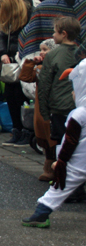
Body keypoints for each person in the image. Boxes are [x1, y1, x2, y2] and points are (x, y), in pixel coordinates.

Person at [22, 59, 86, 228]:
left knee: (59, 187)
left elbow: (70, 141)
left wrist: (62, 161)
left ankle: (41, 214)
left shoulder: (79, 113)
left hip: (78, 161)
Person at [0, 0, 31, 146]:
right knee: (10, 96)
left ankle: (25, 131)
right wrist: (3, 53)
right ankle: (16, 129)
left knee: (21, 96)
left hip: (21, 61)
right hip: (10, 63)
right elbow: (1, 37)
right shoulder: (8, 23)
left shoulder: (28, 19)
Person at [19, 0, 86, 58]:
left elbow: (26, 34)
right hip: (77, 60)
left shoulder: (41, 7)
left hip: (46, 61)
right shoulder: (82, 2)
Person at [37, 17, 80, 149]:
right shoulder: (81, 53)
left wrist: (44, 112)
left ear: (64, 34)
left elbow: (44, 84)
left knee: (62, 144)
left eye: (55, 32)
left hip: (59, 107)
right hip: (79, 106)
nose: (53, 35)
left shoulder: (53, 55)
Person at [20, 38, 59, 181]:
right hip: (40, 109)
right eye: (41, 49)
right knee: (43, 136)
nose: (41, 52)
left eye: (45, 50)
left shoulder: (55, 67)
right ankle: (48, 167)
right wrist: (31, 63)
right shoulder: (39, 68)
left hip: (52, 108)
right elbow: (25, 77)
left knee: (53, 137)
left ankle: (55, 168)